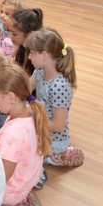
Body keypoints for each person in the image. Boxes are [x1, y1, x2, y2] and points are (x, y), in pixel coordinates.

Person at [0, 64, 51, 206]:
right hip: (24, 185)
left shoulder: (13, 135)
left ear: (11, 97)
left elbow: (1, 178)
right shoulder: (29, 111)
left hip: (8, 194)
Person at [24, 28, 84, 168]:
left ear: (44, 55)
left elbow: (58, 125)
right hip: (40, 126)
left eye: (32, 53)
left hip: (53, 139)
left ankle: (62, 153)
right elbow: (26, 89)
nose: (29, 57)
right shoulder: (39, 71)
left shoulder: (60, 86)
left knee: (25, 153)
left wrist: (32, 120)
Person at [6, 8, 44, 74]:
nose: (9, 36)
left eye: (14, 34)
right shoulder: (22, 48)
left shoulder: (38, 58)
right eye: (8, 31)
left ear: (28, 34)